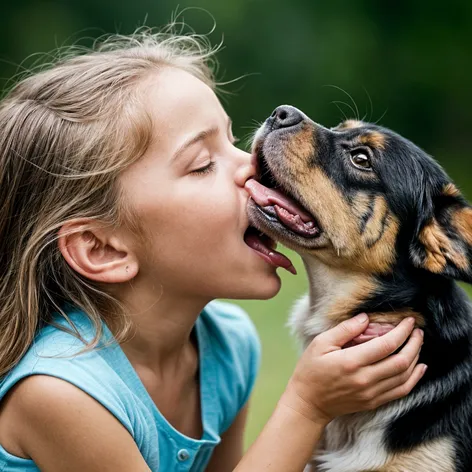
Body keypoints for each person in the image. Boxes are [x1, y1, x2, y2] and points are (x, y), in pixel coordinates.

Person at [0, 27, 425, 472]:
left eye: (231, 140)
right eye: (203, 165)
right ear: (103, 249)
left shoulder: (227, 346)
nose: (252, 166)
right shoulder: (61, 393)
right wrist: (307, 407)